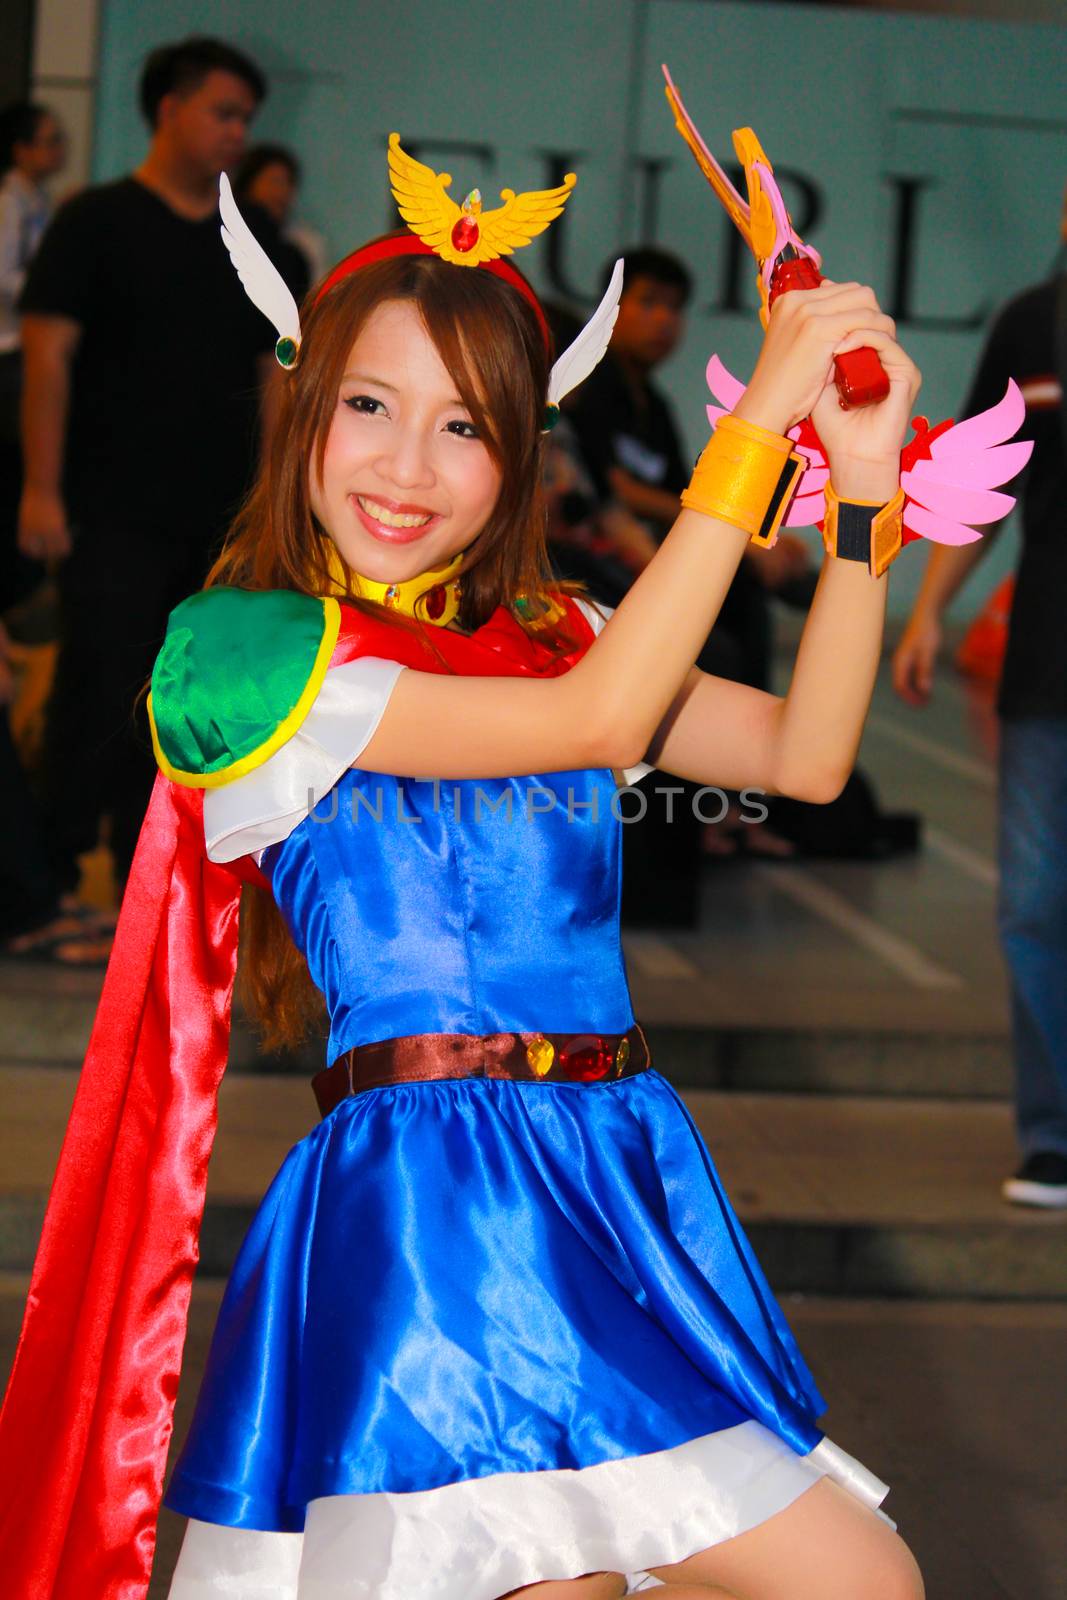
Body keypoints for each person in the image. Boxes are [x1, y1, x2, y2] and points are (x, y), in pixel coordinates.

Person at [0, 135, 925, 1600]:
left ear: (519, 459)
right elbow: (593, 723)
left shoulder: (562, 631)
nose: (405, 465)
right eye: (367, 406)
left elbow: (805, 759)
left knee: (847, 1577)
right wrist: (745, 456)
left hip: (618, 1178)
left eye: (464, 428)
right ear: (300, 414)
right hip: (434, 1200)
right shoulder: (247, 653)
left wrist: (859, 496)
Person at [15, 36, 274, 924]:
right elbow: (47, 357)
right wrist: (40, 489)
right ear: (169, 109)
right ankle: (48, 878)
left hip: (221, 518)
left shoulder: (256, 239)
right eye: (223, 112)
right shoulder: (94, 222)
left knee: (190, 705)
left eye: (247, 118)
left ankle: (145, 882)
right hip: (108, 506)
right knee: (100, 685)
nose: (239, 133)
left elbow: (280, 377)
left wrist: (279, 510)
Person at [893, 200, 1067, 1209]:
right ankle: (1051, 1135)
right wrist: (924, 614)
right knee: (1034, 905)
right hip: (1046, 662)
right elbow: (983, 482)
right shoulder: (1029, 325)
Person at [0, 101, 66, 610]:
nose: (57, 149)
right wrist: (53, 290)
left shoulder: (36, 199)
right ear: (19, 148)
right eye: (46, 140)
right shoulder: (8, 202)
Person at [233, 141, 314, 302]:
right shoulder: (231, 240)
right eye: (275, 182)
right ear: (250, 183)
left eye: (288, 183)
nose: (282, 192)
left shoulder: (295, 255)